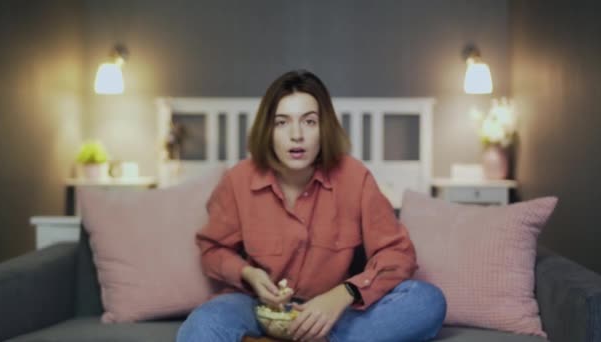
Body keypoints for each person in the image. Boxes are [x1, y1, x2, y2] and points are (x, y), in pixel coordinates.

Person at [177, 70, 446, 342]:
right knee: (201, 325)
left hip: (331, 316)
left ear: (323, 127)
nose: (297, 135)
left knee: (427, 301)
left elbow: (397, 254)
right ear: (268, 130)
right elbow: (212, 249)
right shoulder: (238, 180)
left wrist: (342, 295)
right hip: (255, 308)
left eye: (309, 122)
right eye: (282, 123)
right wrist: (248, 274)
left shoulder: (355, 177)